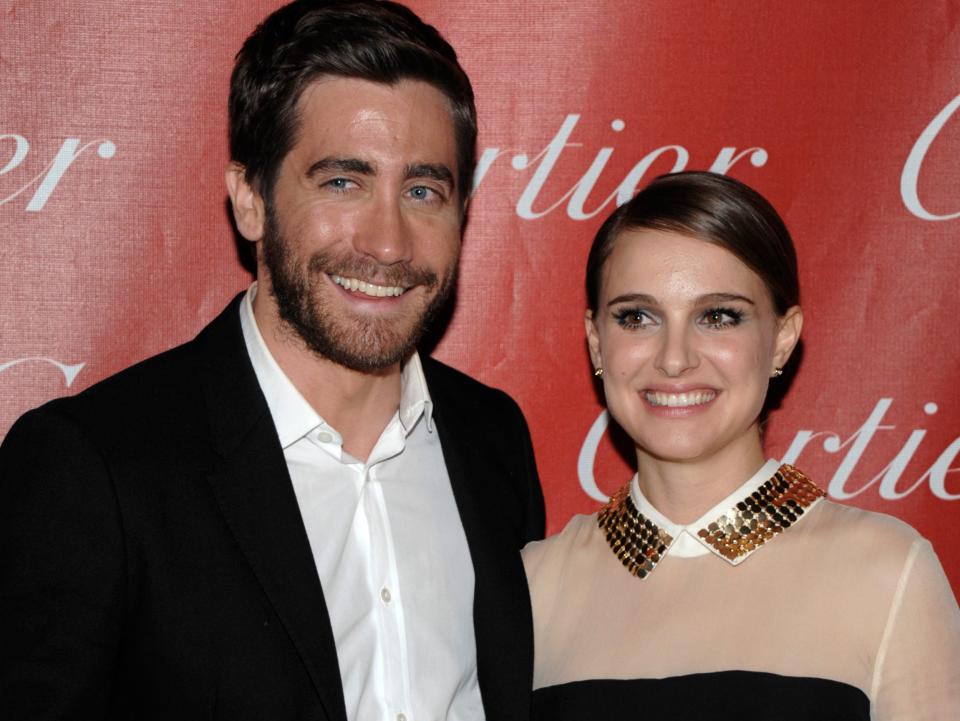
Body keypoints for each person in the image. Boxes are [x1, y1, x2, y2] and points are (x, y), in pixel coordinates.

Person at [0, 2, 544, 720]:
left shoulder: (492, 437)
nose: (388, 242)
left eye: (422, 190)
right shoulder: (94, 468)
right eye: (342, 182)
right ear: (250, 200)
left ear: (463, 212)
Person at [522, 171, 960, 720]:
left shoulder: (888, 572)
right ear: (597, 342)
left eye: (718, 316)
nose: (675, 357)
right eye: (637, 317)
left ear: (782, 338)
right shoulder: (530, 588)